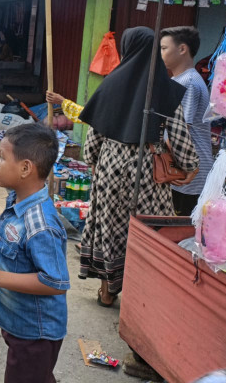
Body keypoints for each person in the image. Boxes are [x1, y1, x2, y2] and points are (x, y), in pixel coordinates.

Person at [78, 27, 198, 307]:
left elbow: (94, 135)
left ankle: (107, 292)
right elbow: (179, 135)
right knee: (146, 230)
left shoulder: (110, 83)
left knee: (109, 226)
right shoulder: (164, 87)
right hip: (146, 170)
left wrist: (93, 161)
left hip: (110, 165)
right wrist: (191, 166)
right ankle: (141, 296)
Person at [0, 123, 69, 383]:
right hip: (20, 323)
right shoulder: (15, 200)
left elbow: (55, 282)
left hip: (36, 333)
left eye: (2, 157)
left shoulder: (41, 224)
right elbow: (18, 250)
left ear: (25, 168)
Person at [160, 26, 213, 217]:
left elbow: (180, 132)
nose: (161, 53)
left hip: (188, 174)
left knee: (181, 227)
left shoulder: (188, 82)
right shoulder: (180, 80)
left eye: (164, 48)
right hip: (181, 169)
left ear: (182, 49)